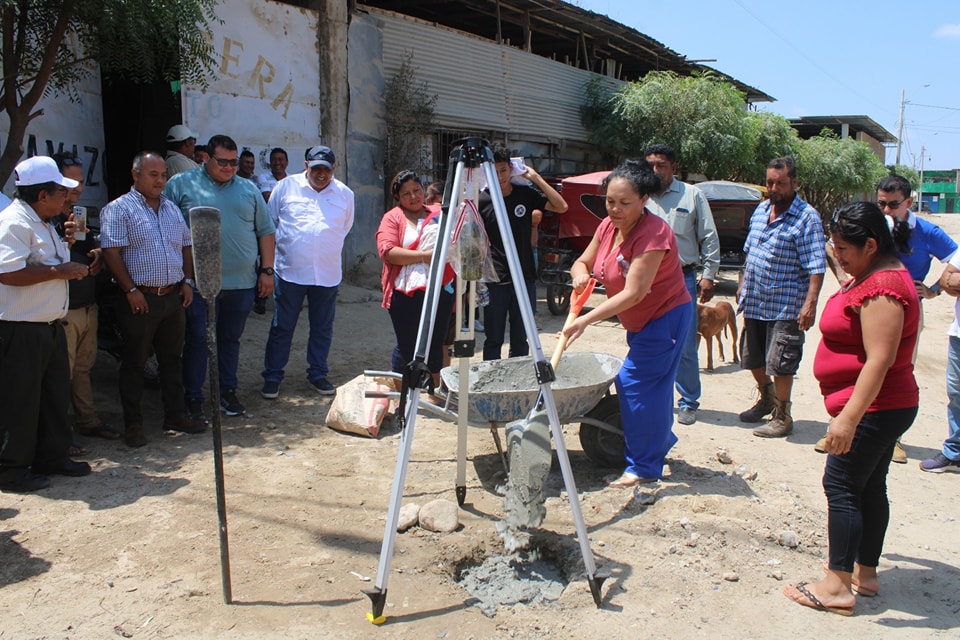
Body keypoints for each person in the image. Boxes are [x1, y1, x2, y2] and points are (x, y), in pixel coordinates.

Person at [784, 201, 919, 616]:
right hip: (881, 406)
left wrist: (848, 418)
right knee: (869, 486)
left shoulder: (884, 289)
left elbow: (879, 359)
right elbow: (847, 279)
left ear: (871, 245)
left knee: (841, 485)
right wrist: (836, 256)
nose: (837, 254)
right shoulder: (872, 274)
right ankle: (866, 573)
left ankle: (837, 586)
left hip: (874, 408)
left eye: (844, 248)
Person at [562, 159, 692, 487]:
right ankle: (656, 447)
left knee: (633, 382)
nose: (615, 209)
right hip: (642, 321)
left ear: (644, 199)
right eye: (609, 201)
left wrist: (586, 319)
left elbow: (635, 293)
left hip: (665, 317)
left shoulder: (654, 234)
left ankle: (643, 467)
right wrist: (579, 277)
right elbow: (583, 261)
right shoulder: (608, 226)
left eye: (624, 203)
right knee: (655, 387)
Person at [818, 174, 957, 462]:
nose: (887, 210)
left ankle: (884, 437)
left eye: (893, 205)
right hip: (867, 309)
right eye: (881, 203)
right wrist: (847, 279)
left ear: (908, 202)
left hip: (895, 316)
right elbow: (835, 247)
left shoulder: (925, 234)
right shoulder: (872, 228)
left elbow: (954, 261)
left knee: (889, 370)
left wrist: (932, 291)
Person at [164, 134, 276, 418]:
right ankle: (194, 397)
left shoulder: (248, 190)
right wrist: (181, 278)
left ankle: (227, 392)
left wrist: (267, 271)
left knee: (229, 340)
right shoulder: (181, 184)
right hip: (198, 285)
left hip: (241, 284)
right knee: (199, 339)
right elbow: (165, 228)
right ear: (206, 159)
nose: (229, 167)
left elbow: (266, 231)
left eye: (233, 162)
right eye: (222, 162)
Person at [100, 152, 206, 447]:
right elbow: (111, 252)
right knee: (134, 362)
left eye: (162, 175)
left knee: (172, 360)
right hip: (140, 300)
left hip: (172, 298)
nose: (159, 180)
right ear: (135, 175)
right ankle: (134, 424)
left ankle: (175, 415)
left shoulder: (171, 209)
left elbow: (186, 246)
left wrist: (187, 281)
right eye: (153, 174)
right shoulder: (119, 210)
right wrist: (130, 290)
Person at [0, 156, 91, 492]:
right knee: (20, 401)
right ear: (42, 195)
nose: (66, 198)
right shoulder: (14, 223)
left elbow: (50, 262)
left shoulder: (44, 221)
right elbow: (7, 273)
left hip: (48, 325)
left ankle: (51, 456)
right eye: (60, 192)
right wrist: (58, 271)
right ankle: (10, 469)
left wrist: (68, 253)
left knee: (52, 395)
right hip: (20, 328)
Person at [737, 157, 826, 438]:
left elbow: (816, 265)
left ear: (794, 183)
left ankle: (783, 416)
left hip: (786, 304)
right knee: (752, 357)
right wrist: (742, 283)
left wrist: (810, 304)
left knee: (782, 361)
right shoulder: (762, 210)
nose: (774, 188)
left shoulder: (806, 217)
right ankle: (766, 399)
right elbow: (749, 251)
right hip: (755, 299)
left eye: (780, 183)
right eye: (770, 182)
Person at [260, 145, 353, 398]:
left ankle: (318, 374)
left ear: (334, 169)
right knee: (282, 326)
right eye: (316, 168)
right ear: (306, 166)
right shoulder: (286, 187)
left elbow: (344, 228)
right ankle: (273, 376)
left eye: (326, 169)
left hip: (327, 274)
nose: (321, 174)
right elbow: (271, 223)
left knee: (322, 328)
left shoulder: (345, 194)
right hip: (290, 272)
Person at [644, 144, 720, 426]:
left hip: (681, 278)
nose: (655, 170)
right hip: (646, 280)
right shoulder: (640, 197)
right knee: (649, 339)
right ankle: (655, 397)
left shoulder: (692, 195)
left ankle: (688, 401)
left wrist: (709, 275)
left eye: (661, 165)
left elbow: (709, 237)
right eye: (650, 164)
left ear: (674, 167)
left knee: (685, 343)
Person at [52, 153, 118, 453]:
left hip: (86, 305)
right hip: (62, 309)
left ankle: (87, 421)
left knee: (82, 369)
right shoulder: (45, 215)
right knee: (59, 375)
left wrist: (98, 255)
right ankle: (59, 435)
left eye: (80, 181)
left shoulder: (75, 213)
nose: (77, 187)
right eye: (70, 181)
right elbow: (48, 260)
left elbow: (88, 248)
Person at [479, 146, 567, 360]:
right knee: (494, 339)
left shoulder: (525, 194)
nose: (499, 177)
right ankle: (492, 386)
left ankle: (516, 384)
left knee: (521, 338)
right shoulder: (482, 200)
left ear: (510, 168)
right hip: (495, 280)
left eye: (503, 170)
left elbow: (561, 206)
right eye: (494, 172)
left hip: (524, 276)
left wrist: (536, 178)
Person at [376, 170, 454, 386]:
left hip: (439, 289)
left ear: (423, 189)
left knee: (436, 343)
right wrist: (424, 257)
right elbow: (388, 252)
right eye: (406, 194)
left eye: (416, 190)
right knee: (408, 345)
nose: (413, 197)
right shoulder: (392, 218)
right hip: (404, 294)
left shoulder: (438, 213)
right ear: (398, 198)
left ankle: (432, 390)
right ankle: (402, 393)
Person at [919, 254, 960, 472]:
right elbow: (947, 280)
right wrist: (951, 282)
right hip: (959, 335)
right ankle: (955, 452)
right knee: (956, 394)